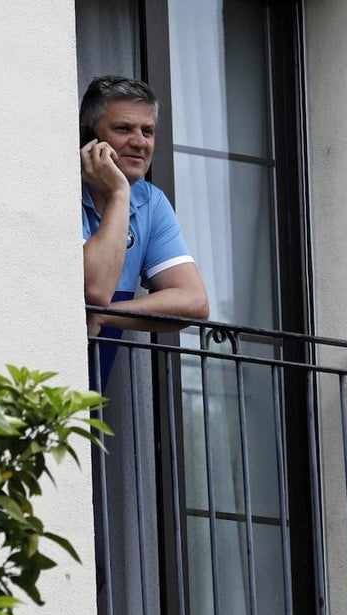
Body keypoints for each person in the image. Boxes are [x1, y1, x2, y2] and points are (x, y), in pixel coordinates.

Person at [79, 75, 208, 386]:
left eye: (147, 131)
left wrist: (105, 315)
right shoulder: (58, 189)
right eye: (124, 129)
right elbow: (95, 290)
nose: (139, 142)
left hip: (89, 402)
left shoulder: (150, 200)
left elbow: (194, 302)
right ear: (89, 137)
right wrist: (119, 193)